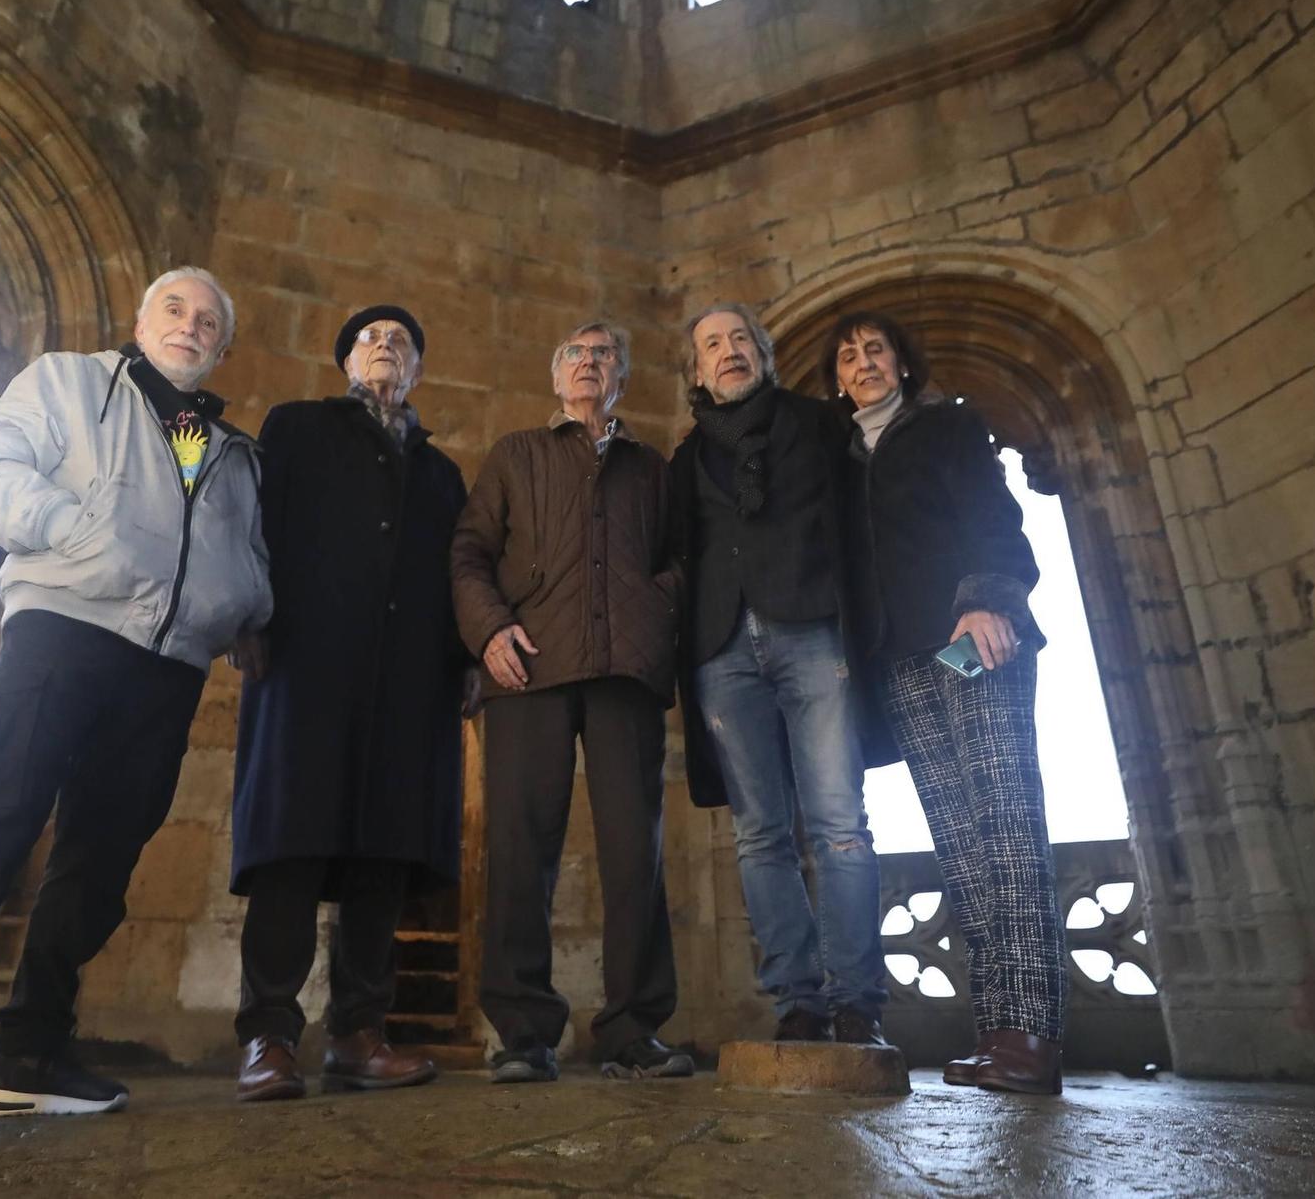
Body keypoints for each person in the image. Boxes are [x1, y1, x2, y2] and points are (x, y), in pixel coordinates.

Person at [0, 267, 271, 1156]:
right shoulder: (69, 382)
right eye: (175, 309)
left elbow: (242, 553)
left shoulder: (225, 447)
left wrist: (243, 606)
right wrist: (71, 532)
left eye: (208, 320)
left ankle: (28, 1054)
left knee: (100, 862)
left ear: (222, 346)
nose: (190, 326)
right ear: (143, 319)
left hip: (171, 661)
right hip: (64, 626)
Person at [228, 305, 470, 1102]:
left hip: (407, 682)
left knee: (383, 854)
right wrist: (246, 613)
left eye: (403, 341)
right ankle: (268, 1035)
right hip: (305, 666)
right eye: (371, 339)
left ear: (419, 372)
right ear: (345, 362)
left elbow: (457, 575)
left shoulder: (440, 472)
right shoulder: (296, 427)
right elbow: (252, 528)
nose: (386, 348)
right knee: (289, 847)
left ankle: (358, 1034)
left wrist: (464, 660)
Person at [824, 309, 1063, 1095]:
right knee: (961, 842)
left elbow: (995, 518)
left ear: (901, 363)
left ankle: (1030, 1034)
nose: (864, 362)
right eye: (850, 355)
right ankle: (995, 1029)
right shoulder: (845, 457)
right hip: (902, 661)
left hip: (971, 636)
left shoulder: (948, 427)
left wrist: (989, 598)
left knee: (1005, 819)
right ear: (837, 377)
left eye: (876, 349)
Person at [451, 321, 691, 1084]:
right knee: (521, 850)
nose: (591, 365)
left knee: (636, 853)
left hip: (626, 676)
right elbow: (468, 553)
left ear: (621, 378)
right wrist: (489, 631)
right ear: (557, 379)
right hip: (530, 669)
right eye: (577, 356)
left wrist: (654, 619)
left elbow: (685, 560)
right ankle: (522, 1031)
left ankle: (633, 1030)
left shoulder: (651, 467)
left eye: (605, 356)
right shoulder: (516, 454)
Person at [669, 303, 894, 1048]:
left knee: (839, 824)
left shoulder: (818, 423)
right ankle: (799, 999)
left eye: (740, 339)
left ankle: (857, 999)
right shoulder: (686, 456)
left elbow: (868, 513)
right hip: (722, 650)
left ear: (763, 356)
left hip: (811, 631)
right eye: (712, 345)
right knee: (759, 833)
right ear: (697, 371)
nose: (728, 351)